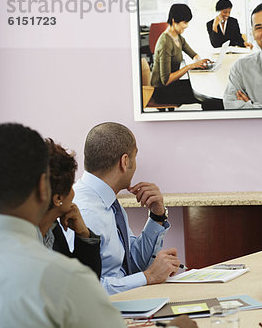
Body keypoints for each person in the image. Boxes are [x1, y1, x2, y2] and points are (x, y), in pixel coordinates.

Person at [0, 123, 207, 328]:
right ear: (43, 187)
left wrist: (157, 218)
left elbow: (127, 260)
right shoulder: (61, 277)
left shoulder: (110, 206)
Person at [73, 122, 182, 295]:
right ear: (125, 161)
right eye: (135, 156)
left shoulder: (109, 204)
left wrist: (157, 215)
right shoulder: (86, 212)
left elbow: (133, 263)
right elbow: (85, 290)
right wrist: (148, 277)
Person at [38, 138, 101, 277]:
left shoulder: (52, 227)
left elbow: (83, 280)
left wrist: (84, 235)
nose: (74, 192)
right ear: (58, 198)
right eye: (71, 185)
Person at [150, 3, 211, 105]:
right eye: (185, 22)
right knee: (203, 96)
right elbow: (166, 80)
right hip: (162, 92)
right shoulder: (165, 43)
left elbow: (194, 55)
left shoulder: (178, 37)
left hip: (173, 85)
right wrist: (189, 66)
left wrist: (199, 63)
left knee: (204, 87)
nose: (187, 26)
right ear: (174, 21)